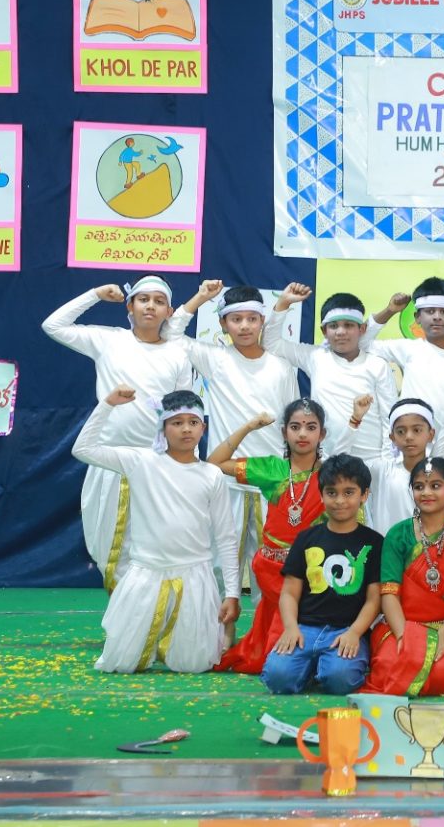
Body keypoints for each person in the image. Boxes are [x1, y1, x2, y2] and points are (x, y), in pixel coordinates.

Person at [72, 387, 240, 673]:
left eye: (193, 422)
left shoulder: (211, 474)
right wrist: (108, 405)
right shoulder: (141, 462)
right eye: (177, 422)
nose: (186, 429)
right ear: (162, 428)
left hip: (195, 577)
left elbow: (225, 538)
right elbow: (82, 450)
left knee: (193, 665)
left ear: (203, 428)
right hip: (146, 573)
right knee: (121, 663)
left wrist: (232, 594)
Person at [42, 276, 192, 590]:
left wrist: (184, 467)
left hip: (157, 464)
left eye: (159, 301)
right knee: (107, 548)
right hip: (109, 460)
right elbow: (52, 326)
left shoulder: (178, 355)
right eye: (143, 299)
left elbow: (184, 415)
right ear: (130, 306)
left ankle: (147, 614)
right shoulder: (109, 340)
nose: (150, 306)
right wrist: (95, 294)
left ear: (169, 311)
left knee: (154, 547)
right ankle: (125, 613)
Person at [169, 282, 302, 608]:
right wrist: (201, 297)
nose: (244, 326)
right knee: (218, 565)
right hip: (225, 479)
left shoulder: (281, 367)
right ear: (223, 324)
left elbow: (294, 423)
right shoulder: (215, 359)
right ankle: (215, 633)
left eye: (252, 319)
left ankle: (268, 635)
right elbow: (171, 334)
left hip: (272, 481)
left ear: (262, 321)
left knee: (272, 569)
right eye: (236, 319)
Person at [205, 400, 327, 674]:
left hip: (314, 573)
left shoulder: (331, 475)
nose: (303, 434)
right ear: (284, 432)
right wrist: (248, 427)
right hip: (274, 571)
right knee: (272, 654)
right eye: (295, 427)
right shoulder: (272, 469)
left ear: (322, 434)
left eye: (311, 427)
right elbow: (215, 463)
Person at [261, 454, 384, 695]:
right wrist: (290, 628)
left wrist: (355, 633)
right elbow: (289, 593)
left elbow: (374, 600)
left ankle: (322, 669)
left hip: (346, 631)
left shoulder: (374, 542)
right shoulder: (306, 538)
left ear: (364, 495)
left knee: (340, 681)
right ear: (321, 495)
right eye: (331, 492)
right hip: (304, 628)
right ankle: (309, 668)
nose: (340, 500)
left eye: (349, 492)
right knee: (277, 679)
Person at [360, 457, 444, 696]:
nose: (426, 492)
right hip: (400, 625)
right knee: (388, 667)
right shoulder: (398, 534)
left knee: (443, 673)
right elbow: (389, 593)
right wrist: (404, 637)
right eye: (419, 486)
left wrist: (443, 636)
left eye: (435, 485)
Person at [362, 278, 444, 460]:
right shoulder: (409, 349)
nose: (437, 317)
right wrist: (390, 311)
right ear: (417, 318)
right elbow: (361, 343)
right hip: (409, 455)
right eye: (430, 311)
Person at [266, 289, 398, 463]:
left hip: (373, 461)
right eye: (334, 326)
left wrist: (388, 463)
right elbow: (271, 344)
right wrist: (283, 303)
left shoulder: (378, 365)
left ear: (362, 329)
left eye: (348, 325)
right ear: (324, 330)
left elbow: (391, 416)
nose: (341, 332)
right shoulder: (315, 357)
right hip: (326, 461)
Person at [336, 395, 444, 529]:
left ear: (431, 434)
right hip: (387, 543)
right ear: (392, 437)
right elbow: (338, 465)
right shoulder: (381, 472)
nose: (409, 437)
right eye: (401, 431)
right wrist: (355, 420)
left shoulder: (442, 474)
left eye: (417, 430)